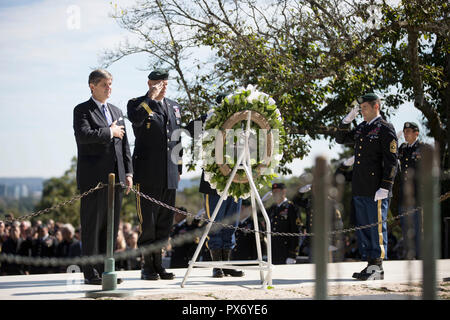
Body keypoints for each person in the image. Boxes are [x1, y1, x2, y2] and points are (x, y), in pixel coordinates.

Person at [73, 68, 133, 285]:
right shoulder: (82, 110)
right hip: (93, 180)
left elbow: (125, 145)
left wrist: (128, 173)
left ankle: (107, 270)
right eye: (105, 85)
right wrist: (110, 132)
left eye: (111, 84)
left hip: (115, 179)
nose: (109, 88)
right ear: (92, 86)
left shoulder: (117, 111)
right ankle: (91, 273)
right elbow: (84, 136)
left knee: (111, 227)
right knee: (92, 226)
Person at [335, 93, 398, 280]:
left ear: (376, 106)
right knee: (363, 227)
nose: (361, 111)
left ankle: (377, 266)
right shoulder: (362, 128)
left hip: (376, 188)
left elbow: (392, 161)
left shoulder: (385, 128)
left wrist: (386, 186)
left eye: (364, 108)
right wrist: (347, 120)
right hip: (360, 186)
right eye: (360, 109)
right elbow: (340, 138)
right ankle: (370, 265)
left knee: (376, 227)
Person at [127, 68, 183, 281]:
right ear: (150, 83)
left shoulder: (174, 106)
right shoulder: (137, 103)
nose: (164, 87)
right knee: (148, 224)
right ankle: (147, 266)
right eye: (159, 83)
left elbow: (177, 138)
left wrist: (178, 167)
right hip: (146, 174)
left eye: (166, 83)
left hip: (168, 174)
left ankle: (159, 264)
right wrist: (150, 97)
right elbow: (136, 120)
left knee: (164, 223)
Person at [185, 94, 244, 278]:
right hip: (214, 183)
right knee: (215, 225)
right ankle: (217, 265)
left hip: (235, 181)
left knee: (231, 225)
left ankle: (226, 264)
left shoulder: (240, 123)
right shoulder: (209, 119)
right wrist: (208, 120)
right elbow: (189, 129)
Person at [397, 121, 425, 260]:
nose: (406, 134)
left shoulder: (423, 148)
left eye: (409, 131)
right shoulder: (402, 148)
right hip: (404, 194)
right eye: (405, 131)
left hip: (417, 194)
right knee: (405, 227)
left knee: (418, 228)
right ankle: (410, 255)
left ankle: (420, 257)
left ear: (416, 133)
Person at [267, 183, 302, 265]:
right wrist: (262, 202)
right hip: (273, 251)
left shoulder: (291, 207)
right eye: (273, 192)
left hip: (286, 250)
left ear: (284, 192)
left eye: (277, 191)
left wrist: (293, 254)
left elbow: (296, 231)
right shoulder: (273, 208)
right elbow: (258, 215)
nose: (275, 194)